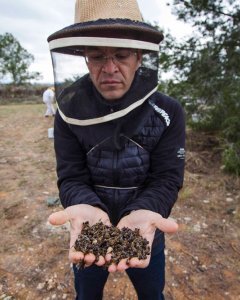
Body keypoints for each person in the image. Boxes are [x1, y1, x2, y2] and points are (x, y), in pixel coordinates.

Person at [47, 0, 185, 299]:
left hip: (145, 231)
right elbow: (71, 177)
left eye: (121, 55)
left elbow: (167, 177)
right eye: (97, 56)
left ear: (139, 57)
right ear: (85, 59)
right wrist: (88, 208)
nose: (109, 68)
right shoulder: (68, 112)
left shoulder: (168, 111)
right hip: (88, 231)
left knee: (152, 295)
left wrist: (147, 211)